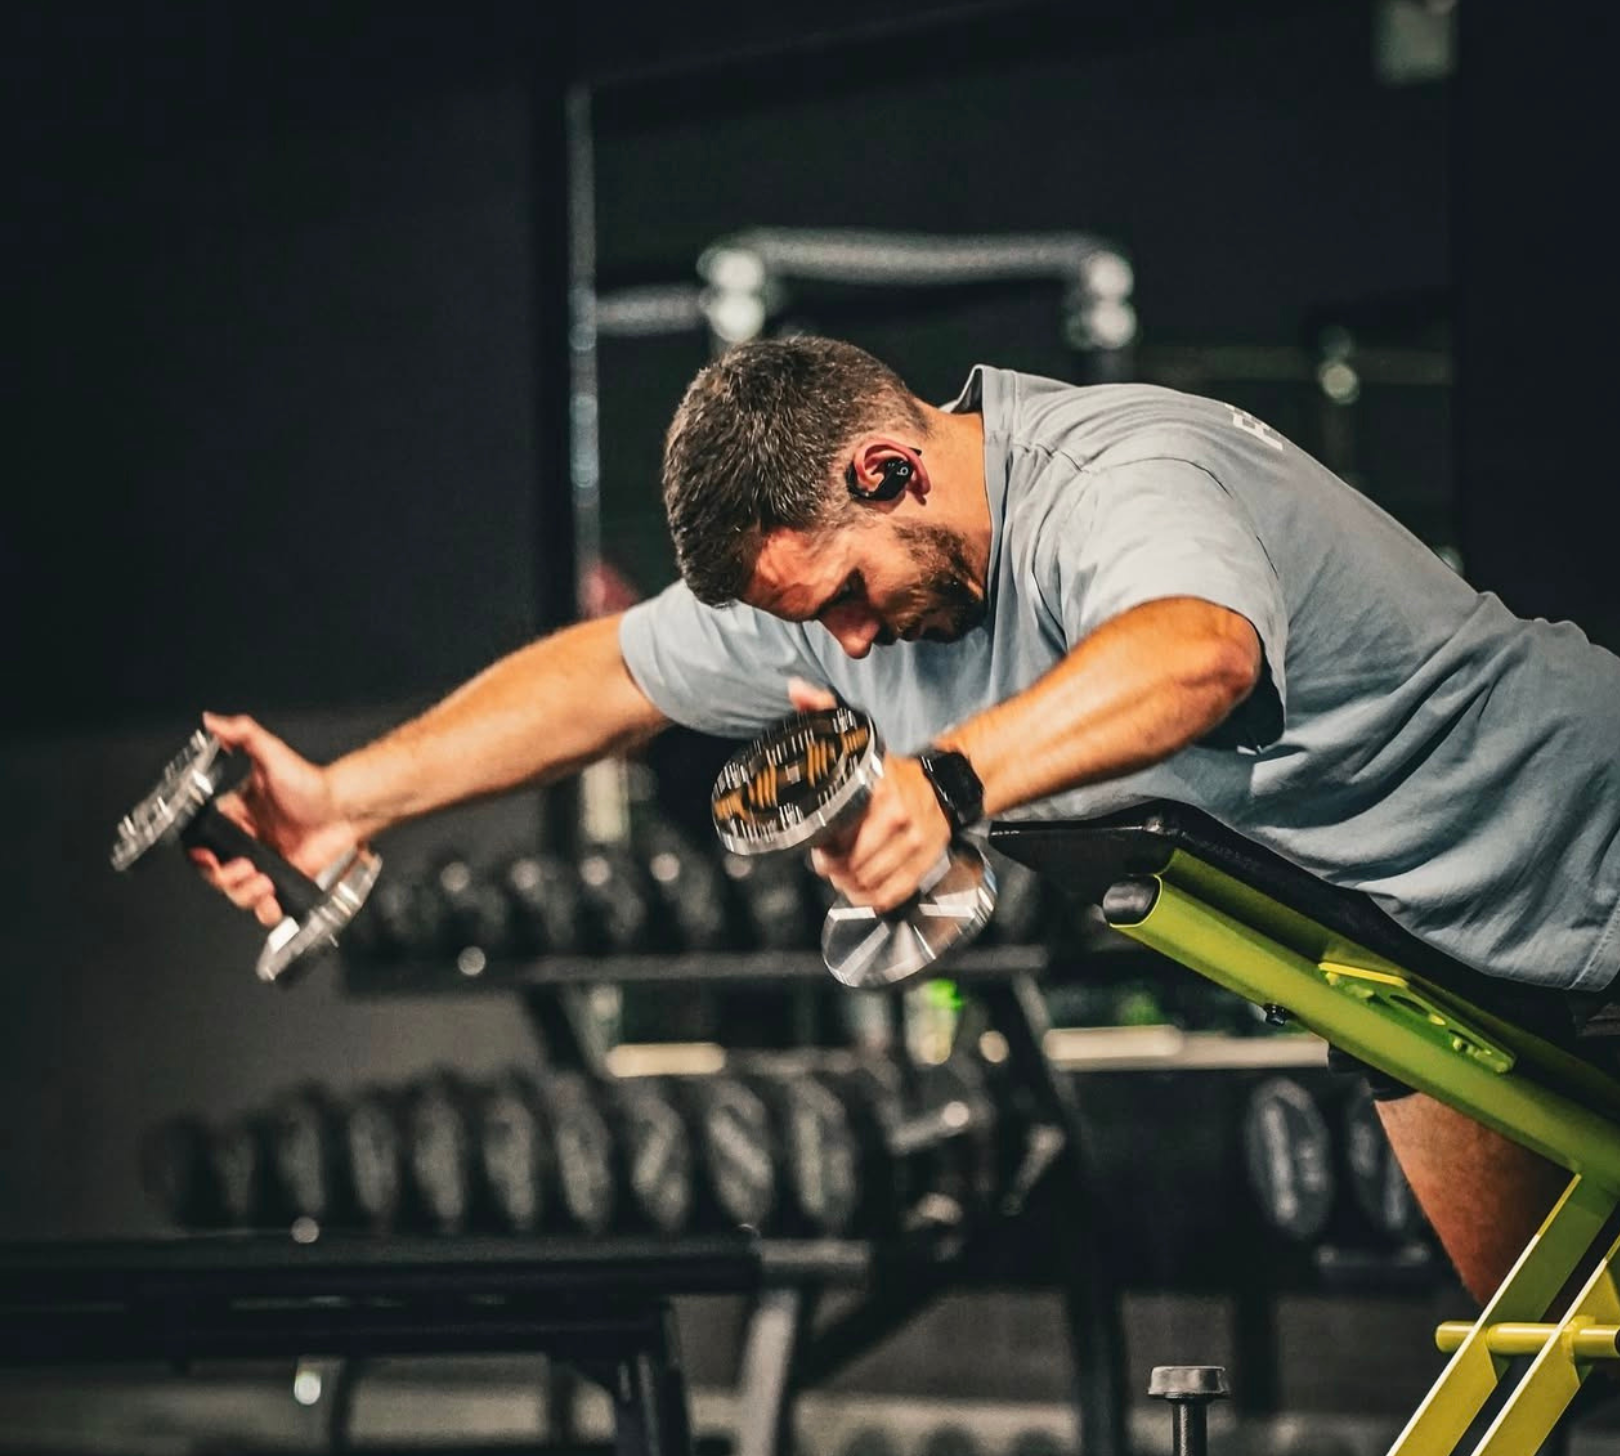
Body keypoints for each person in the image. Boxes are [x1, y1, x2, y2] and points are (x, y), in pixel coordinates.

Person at [192, 336, 1619, 1303]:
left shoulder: (1116, 476)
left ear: (889, 470)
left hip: (1585, 841)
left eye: (851, 603)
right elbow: (608, 677)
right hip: (1412, 969)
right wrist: (344, 796)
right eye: (821, 628)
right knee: (1564, 1357)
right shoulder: (839, 596)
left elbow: (1198, 653)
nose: (855, 655)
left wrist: (945, 784)